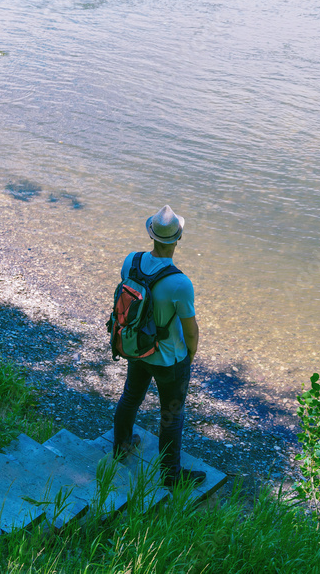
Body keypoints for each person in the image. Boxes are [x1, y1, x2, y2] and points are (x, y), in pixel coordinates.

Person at [112, 205, 206, 488]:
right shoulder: (180, 283)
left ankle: (121, 446)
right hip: (169, 359)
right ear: (178, 239)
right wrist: (190, 355)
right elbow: (190, 330)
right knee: (171, 416)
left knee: (131, 397)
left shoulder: (131, 261)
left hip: (137, 348)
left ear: (151, 235)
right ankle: (171, 476)